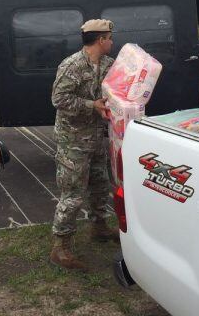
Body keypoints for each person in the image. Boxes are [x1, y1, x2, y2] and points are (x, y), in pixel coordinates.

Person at [49, 18, 118, 271]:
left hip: (98, 138)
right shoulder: (72, 66)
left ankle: (99, 227)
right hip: (74, 141)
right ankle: (61, 246)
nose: (112, 41)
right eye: (110, 37)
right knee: (73, 195)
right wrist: (92, 105)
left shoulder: (110, 64)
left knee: (100, 186)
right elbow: (59, 99)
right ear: (100, 40)